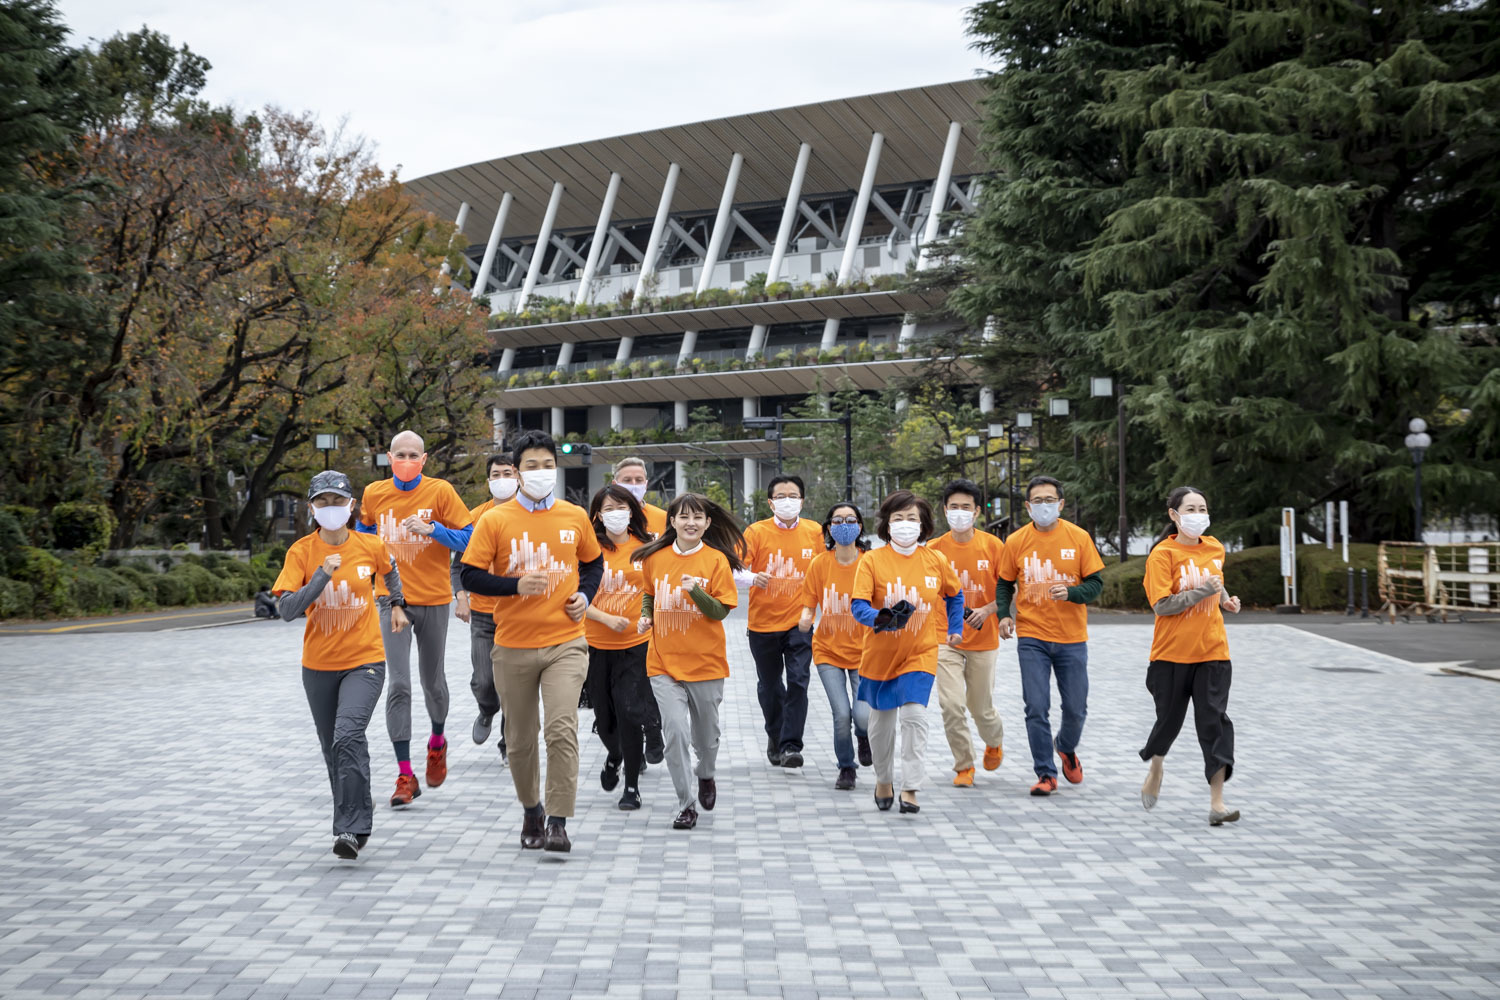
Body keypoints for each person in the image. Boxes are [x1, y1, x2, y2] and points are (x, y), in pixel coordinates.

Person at [460, 431, 603, 854]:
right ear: (517, 472)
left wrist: (585, 596)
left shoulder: (573, 516)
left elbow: (593, 563)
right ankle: (531, 810)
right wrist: (515, 585)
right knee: (521, 739)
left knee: (561, 730)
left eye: (547, 465)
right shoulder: (495, 519)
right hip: (513, 644)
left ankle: (558, 821)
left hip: (566, 642)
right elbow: (470, 574)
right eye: (531, 466)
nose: (541, 472)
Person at [272, 471, 408, 860]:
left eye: (338, 501)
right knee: (333, 748)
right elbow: (286, 609)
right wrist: (320, 577)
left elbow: (390, 571)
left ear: (351, 506)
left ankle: (350, 828)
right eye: (323, 501)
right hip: (318, 666)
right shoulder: (301, 552)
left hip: (365, 662)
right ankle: (358, 806)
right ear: (312, 508)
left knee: (348, 736)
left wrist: (397, 604)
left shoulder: (370, 545)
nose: (330, 508)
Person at [356, 430, 474, 806]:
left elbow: (470, 538)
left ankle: (437, 742)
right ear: (389, 458)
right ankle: (405, 775)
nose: (406, 460)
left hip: (434, 600)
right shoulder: (374, 493)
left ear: (423, 460)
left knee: (432, 683)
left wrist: (433, 529)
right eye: (400, 454)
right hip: (392, 601)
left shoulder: (441, 492)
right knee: (399, 684)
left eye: (413, 455)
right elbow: (362, 536)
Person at [633, 493, 744, 830]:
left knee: (706, 740)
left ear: (708, 523)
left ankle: (706, 773)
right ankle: (686, 804)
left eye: (697, 517)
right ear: (672, 521)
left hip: (706, 664)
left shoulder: (716, 560)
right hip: (663, 663)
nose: (690, 523)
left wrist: (695, 591)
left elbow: (720, 611)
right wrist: (646, 616)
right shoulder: (655, 557)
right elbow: (649, 592)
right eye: (683, 517)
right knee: (675, 733)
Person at [851, 490, 964, 815]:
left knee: (914, 717)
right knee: (881, 725)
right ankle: (883, 779)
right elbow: (858, 605)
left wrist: (955, 627)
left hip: (920, 653)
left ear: (923, 524)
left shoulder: (935, 560)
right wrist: (881, 619)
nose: (905, 524)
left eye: (911, 518)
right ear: (887, 524)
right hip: (880, 656)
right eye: (898, 518)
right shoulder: (872, 561)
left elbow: (955, 594)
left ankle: (911, 787)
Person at [995, 476, 1105, 797]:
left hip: (1072, 638)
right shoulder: (1016, 541)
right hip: (1032, 637)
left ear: (1061, 504)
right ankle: (1045, 772)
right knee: (1036, 706)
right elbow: (1004, 583)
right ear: (1028, 507)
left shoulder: (1079, 537)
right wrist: (1004, 615)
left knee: (1076, 708)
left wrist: (1072, 593)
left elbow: (1095, 584)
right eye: (1037, 501)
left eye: (1049, 500)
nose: (1044, 506)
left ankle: (1066, 747)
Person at [1139, 486, 1242, 826]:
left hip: (1213, 651)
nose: (1198, 515)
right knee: (1168, 721)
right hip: (1171, 655)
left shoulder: (1214, 547)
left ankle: (1217, 803)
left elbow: (1215, 580)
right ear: (1174, 515)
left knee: (1214, 723)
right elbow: (1162, 605)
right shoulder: (1162, 555)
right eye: (1190, 509)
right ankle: (1156, 766)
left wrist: (1225, 600)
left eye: (1202, 509)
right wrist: (1202, 592)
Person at [741, 475, 825, 768]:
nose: (787, 501)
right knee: (770, 686)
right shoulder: (755, 532)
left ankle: (791, 746)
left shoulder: (815, 532)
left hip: (800, 623)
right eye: (780, 496)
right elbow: (734, 569)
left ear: (802, 501)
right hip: (762, 625)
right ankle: (775, 735)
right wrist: (753, 577)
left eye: (793, 496)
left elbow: (825, 571)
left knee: (799, 681)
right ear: (770, 502)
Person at [929, 480, 1007, 787]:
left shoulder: (993, 547)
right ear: (944, 510)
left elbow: (1008, 590)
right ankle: (964, 765)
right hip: (944, 637)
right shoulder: (933, 550)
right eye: (954, 507)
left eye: (966, 507)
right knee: (951, 705)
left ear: (976, 512)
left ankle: (994, 741)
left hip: (983, 639)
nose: (959, 512)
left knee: (980, 708)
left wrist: (989, 611)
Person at [584, 484, 655, 810]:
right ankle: (614, 754)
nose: (616, 514)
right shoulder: (588, 549)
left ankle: (631, 787)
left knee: (629, 712)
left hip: (636, 645)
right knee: (605, 717)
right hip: (596, 645)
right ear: (598, 515)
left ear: (632, 511)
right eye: (609, 508)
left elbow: (656, 589)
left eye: (622, 507)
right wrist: (604, 618)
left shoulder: (647, 547)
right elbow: (572, 595)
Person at [798, 502, 872, 790]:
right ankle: (846, 767)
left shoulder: (870, 562)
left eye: (850, 520)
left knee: (862, 716)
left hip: (865, 652)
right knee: (841, 714)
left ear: (860, 526)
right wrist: (805, 619)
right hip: (827, 650)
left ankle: (863, 736)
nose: (844, 525)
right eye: (838, 521)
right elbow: (809, 604)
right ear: (829, 528)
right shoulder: (819, 564)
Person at [451, 454, 519, 763]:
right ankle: (486, 709)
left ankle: (507, 743)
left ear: (518, 477)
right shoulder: (475, 517)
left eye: (508, 473)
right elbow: (459, 566)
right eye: (496, 474)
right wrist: (461, 597)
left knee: (513, 684)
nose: (502, 479)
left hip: (519, 615)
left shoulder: (530, 516)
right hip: (482, 614)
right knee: (484, 681)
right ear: (488, 480)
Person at [609, 456, 667, 764]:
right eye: (627, 480)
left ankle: (653, 730)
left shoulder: (662, 519)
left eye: (639, 480)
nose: (633, 485)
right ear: (615, 482)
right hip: (615, 615)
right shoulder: (604, 519)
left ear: (647, 482)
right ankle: (631, 745)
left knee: (647, 679)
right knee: (621, 689)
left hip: (653, 612)